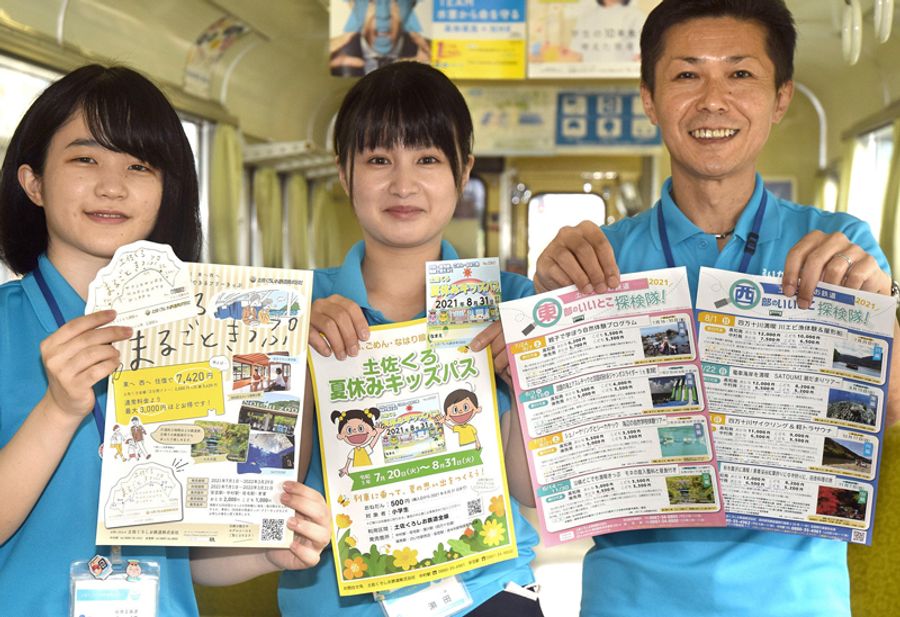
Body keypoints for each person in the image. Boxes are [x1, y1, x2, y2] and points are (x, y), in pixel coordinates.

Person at [533, 2, 900, 616]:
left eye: (740, 74)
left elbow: (885, 417)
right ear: (649, 99)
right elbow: (548, 456)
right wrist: (545, 319)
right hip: (630, 600)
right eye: (686, 75)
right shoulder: (596, 262)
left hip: (796, 601)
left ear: (781, 98)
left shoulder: (842, 250)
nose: (712, 100)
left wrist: (879, 314)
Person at [0, 64, 330, 616]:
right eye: (85, 158)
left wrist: (272, 550)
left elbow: (184, 552)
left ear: (165, 190)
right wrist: (58, 411)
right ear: (33, 181)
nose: (112, 185)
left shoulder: (212, 332)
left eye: (139, 165)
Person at [278, 61, 542, 617]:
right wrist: (291, 357)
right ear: (344, 173)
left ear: (463, 170)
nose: (403, 184)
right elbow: (262, 486)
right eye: (378, 160)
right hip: (339, 604)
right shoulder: (294, 307)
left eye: (427, 159)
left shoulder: (513, 300)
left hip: (488, 594)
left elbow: (531, 495)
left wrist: (526, 380)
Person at [329, 0, 430, 77]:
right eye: (372, 0)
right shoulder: (332, 54)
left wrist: (435, 70)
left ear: (412, 4)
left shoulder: (431, 54)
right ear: (352, 4)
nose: (383, 15)